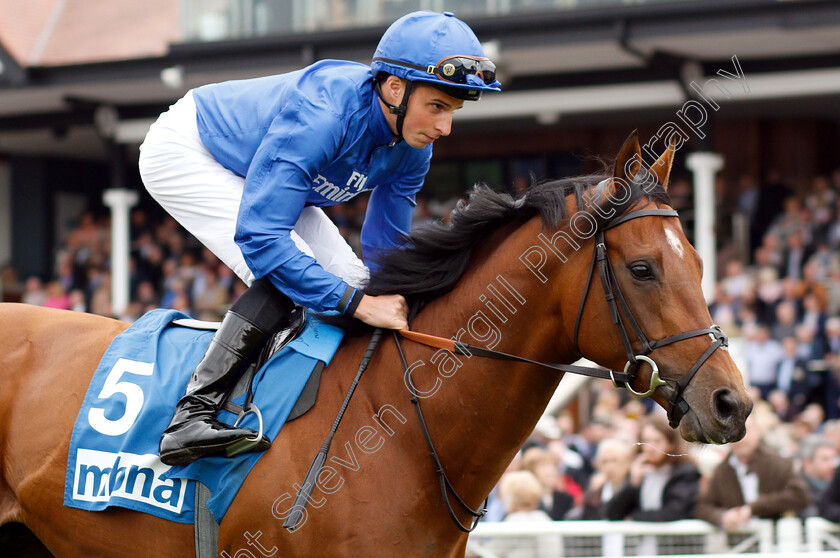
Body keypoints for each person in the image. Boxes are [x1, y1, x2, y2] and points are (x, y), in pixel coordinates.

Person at [138, 10, 501, 465]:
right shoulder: (325, 114)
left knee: (352, 276)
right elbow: (263, 238)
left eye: (454, 112)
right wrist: (357, 304)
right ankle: (190, 416)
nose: (445, 128)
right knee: (292, 267)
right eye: (438, 107)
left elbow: (385, 251)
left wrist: (397, 304)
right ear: (394, 88)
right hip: (189, 149)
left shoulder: (413, 149)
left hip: (259, 169)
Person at [694, 414, 810, 532]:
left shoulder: (778, 463)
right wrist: (723, 517)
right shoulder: (721, 471)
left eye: (744, 431)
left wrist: (753, 509)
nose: (739, 438)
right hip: (738, 542)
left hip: (775, 541)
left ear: (757, 432)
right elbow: (703, 507)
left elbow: (799, 495)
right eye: (732, 432)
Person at [606, 416, 701, 522]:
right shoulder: (638, 470)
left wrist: (634, 517)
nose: (650, 448)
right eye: (646, 441)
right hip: (645, 538)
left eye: (657, 441)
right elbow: (613, 513)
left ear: (670, 444)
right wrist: (632, 484)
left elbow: (674, 512)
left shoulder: (684, 471)